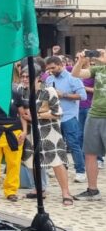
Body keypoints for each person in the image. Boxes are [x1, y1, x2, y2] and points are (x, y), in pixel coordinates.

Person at [19, 68, 74, 206]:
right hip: (32, 132)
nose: (25, 79)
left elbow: (57, 113)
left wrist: (36, 116)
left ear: (38, 77)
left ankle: (66, 192)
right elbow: (22, 114)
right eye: (23, 76)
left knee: (57, 162)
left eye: (28, 76)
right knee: (33, 161)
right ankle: (39, 190)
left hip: (50, 131)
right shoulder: (22, 91)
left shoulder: (49, 90)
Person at [44, 55, 87, 182]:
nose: (51, 71)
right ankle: (62, 170)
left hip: (69, 116)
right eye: (49, 69)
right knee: (56, 145)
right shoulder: (49, 79)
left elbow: (83, 96)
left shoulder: (73, 78)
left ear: (61, 65)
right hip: (53, 116)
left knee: (73, 144)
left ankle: (80, 171)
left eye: (53, 68)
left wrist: (63, 94)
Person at [70, 50, 105, 201]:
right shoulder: (98, 69)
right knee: (90, 152)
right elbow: (76, 74)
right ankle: (92, 190)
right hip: (94, 113)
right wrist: (80, 60)